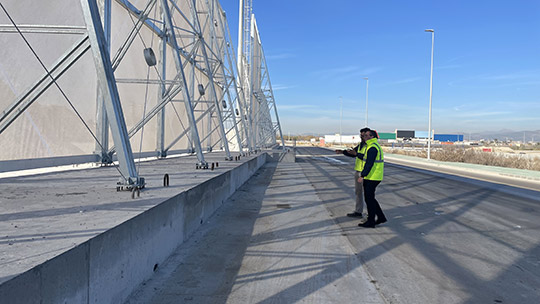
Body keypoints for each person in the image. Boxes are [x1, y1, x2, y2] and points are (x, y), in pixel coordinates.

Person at [335, 127, 371, 220]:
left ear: (369, 135)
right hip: (359, 172)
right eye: (361, 135)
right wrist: (343, 152)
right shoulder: (361, 145)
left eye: (364, 135)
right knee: (358, 193)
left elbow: (366, 158)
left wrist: (356, 154)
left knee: (368, 195)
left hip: (367, 173)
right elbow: (353, 153)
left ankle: (370, 214)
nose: (362, 137)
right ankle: (358, 211)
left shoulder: (370, 146)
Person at [357, 129, 387, 228]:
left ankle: (371, 221)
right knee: (371, 199)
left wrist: (362, 175)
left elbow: (369, 163)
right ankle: (381, 217)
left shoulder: (372, 147)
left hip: (372, 177)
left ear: (372, 137)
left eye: (366, 135)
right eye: (363, 135)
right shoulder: (372, 146)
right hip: (374, 176)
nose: (363, 137)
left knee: (369, 200)